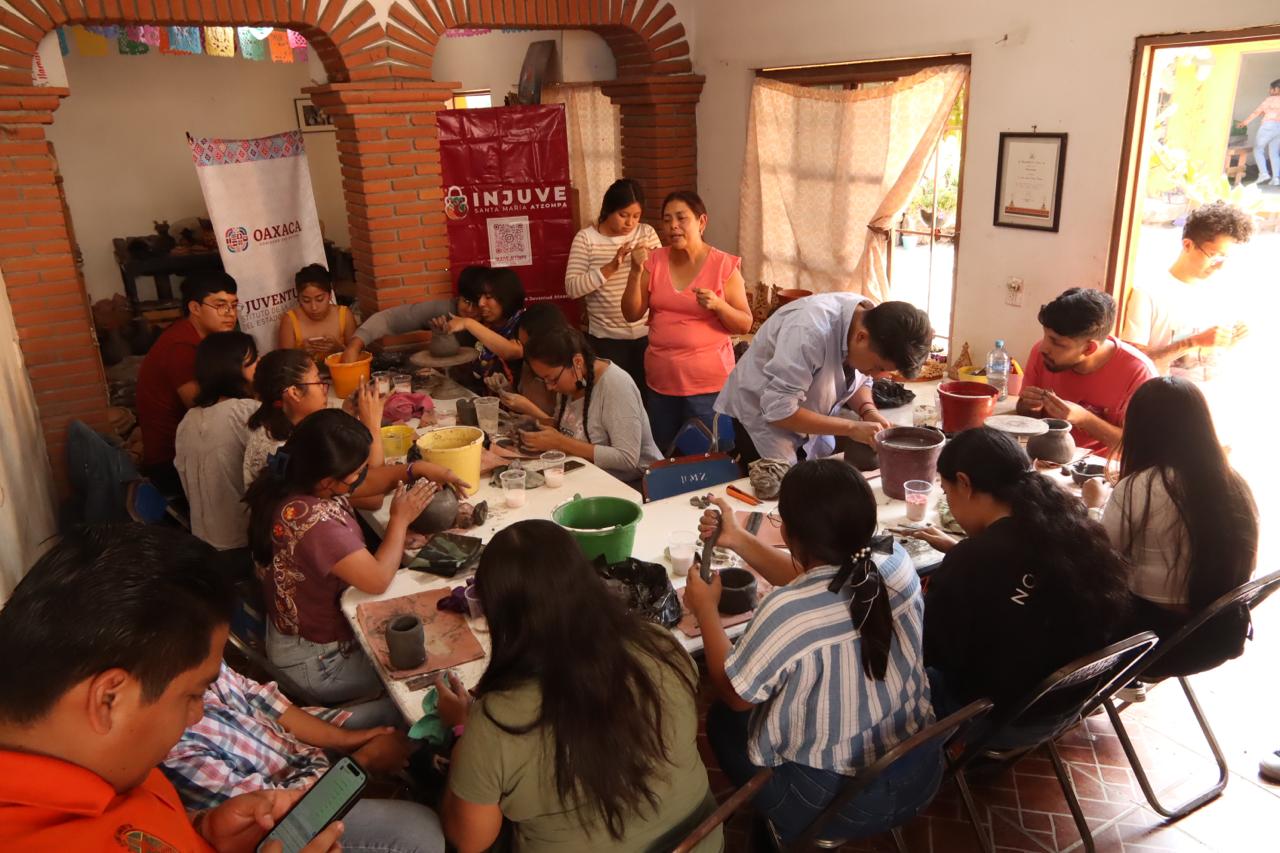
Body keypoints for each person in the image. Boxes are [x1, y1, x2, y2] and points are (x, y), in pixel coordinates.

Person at [0, 524, 344, 852]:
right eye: (193, 695)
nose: (197, 715)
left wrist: (203, 832)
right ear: (109, 699)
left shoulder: (108, 763)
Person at [685, 460, 939, 842]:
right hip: (919, 766)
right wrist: (737, 538)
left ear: (787, 532)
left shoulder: (788, 611)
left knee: (724, 719)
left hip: (840, 802)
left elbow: (735, 694)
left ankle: (778, 828)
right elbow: (825, 580)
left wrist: (706, 609)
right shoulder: (893, 560)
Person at [435, 520, 721, 852]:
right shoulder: (660, 644)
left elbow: (469, 840)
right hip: (702, 843)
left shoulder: (496, 723)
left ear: (497, 614)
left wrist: (462, 732)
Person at [245, 408, 464, 704]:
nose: (363, 476)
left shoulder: (299, 479)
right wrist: (399, 521)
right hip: (320, 664)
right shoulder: (312, 521)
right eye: (357, 473)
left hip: (305, 642)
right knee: (435, 667)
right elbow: (377, 580)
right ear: (328, 481)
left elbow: (372, 482)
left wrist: (416, 469)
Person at [910, 428, 1131, 713]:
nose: (949, 502)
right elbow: (1019, 576)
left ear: (964, 483)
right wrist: (962, 553)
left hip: (1000, 715)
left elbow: (932, 651)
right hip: (1071, 701)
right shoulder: (1068, 528)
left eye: (946, 491)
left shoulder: (972, 560)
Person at [161, 663, 444, 853]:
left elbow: (259, 698)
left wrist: (348, 741)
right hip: (296, 800)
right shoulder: (172, 747)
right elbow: (283, 819)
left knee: (397, 714)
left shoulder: (192, 651)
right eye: (196, 695)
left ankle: (429, 781)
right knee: (420, 831)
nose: (199, 710)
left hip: (296, 752)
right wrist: (364, 760)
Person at [1082, 377, 1257, 674]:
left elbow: (1098, 558)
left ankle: (1086, 687)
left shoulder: (1140, 486)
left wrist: (1094, 506)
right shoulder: (1234, 483)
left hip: (1157, 643)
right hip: (1223, 631)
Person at [715, 295, 933, 466]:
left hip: (803, 414)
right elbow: (778, 410)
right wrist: (852, 428)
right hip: (760, 419)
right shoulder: (808, 333)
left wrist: (869, 412)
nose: (876, 376)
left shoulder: (872, 321)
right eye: (879, 367)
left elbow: (858, 380)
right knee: (773, 495)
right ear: (861, 337)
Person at [621, 191, 754, 452]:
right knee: (665, 455)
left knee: (710, 457)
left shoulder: (723, 265)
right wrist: (635, 271)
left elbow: (744, 324)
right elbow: (631, 314)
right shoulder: (653, 261)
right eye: (667, 220)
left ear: (701, 222)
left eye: (681, 218)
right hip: (662, 383)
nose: (673, 226)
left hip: (708, 386)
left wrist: (718, 305)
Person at [501, 326, 661, 483]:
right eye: (544, 380)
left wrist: (560, 443)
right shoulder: (572, 381)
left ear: (577, 361)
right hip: (589, 475)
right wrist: (536, 426)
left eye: (552, 379)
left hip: (639, 484)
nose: (549, 387)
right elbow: (571, 428)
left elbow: (627, 459)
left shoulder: (615, 385)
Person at [136, 270, 241, 497]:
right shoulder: (181, 346)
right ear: (195, 308)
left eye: (234, 305)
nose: (230, 313)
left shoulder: (205, 338)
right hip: (172, 461)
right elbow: (202, 404)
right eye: (220, 305)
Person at [1120, 201, 1253, 378]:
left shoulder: (1221, 291)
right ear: (1188, 245)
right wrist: (1193, 342)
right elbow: (1131, 362)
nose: (1219, 266)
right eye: (1214, 256)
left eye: (1224, 257)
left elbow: (1215, 355)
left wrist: (1231, 340)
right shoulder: (1147, 293)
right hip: (1164, 392)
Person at [1017, 287, 1156, 452]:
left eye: (1057, 342)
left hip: (1100, 465)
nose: (1043, 348)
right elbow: (1025, 416)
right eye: (1045, 335)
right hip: (1043, 455)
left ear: (1089, 349)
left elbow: (1139, 449)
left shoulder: (1139, 373)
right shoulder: (1044, 354)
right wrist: (1028, 407)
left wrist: (1084, 419)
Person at [564, 179, 663, 395]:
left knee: (647, 397)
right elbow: (572, 288)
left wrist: (649, 261)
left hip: (646, 335)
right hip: (606, 339)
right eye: (623, 215)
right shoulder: (586, 239)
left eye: (636, 216)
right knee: (613, 396)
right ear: (608, 209)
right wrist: (610, 267)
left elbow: (663, 278)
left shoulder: (646, 233)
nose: (630, 223)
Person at [175, 331, 260, 580]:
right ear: (233, 370)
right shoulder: (246, 412)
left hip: (203, 545)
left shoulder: (188, 419)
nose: (260, 366)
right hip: (242, 548)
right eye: (253, 361)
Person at [339, 265, 486, 363]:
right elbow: (387, 319)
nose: (470, 310)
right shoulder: (444, 310)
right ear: (458, 297)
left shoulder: (495, 318)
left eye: (476, 304)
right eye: (466, 301)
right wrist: (354, 346)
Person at [243, 348, 329, 487]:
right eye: (318, 381)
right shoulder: (281, 451)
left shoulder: (275, 424)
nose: (324, 388)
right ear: (294, 393)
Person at [432, 267, 527, 389]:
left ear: (506, 298)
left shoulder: (525, 323)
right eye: (480, 297)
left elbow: (512, 352)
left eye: (488, 297)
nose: (481, 303)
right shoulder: (485, 325)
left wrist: (468, 323)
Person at [278, 264, 356, 360]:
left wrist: (338, 349)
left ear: (330, 295)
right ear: (298, 298)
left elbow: (357, 356)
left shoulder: (344, 315)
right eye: (306, 300)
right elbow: (284, 362)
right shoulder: (290, 320)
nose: (314, 307)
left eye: (320, 299)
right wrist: (300, 353)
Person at [1237, 78, 1280, 186]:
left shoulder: (1270, 99)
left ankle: (1264, 174)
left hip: (1268, 126)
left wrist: (1244, 123)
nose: (1269, 91)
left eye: (1271, 89)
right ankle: (1276, 178)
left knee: (1258, 149)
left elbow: (1257, 112)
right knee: (1274, 153)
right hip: (1279, 128)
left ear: (1276, 89)